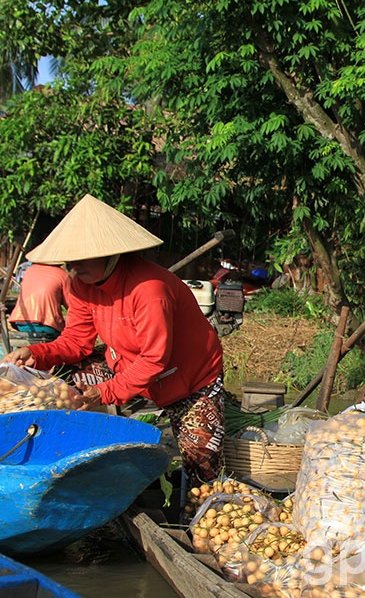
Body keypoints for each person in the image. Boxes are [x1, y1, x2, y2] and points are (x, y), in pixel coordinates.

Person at [2, 194, 225, 487]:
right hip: (126, 363)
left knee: (203, 469)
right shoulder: (82, 285)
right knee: (69, 382)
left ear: (111, 254)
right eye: (70, 260)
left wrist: (103, 393)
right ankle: (83, 454)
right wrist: (36, 353)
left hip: (191, 377)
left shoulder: (149, 290)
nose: (74, 266)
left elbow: (153, 360)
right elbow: (75, 342)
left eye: (82, 258)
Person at [7, 262, 71, 339]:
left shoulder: (29, 270)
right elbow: (72, 305)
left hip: (20, 321)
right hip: (47, 324)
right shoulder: (63, 275)